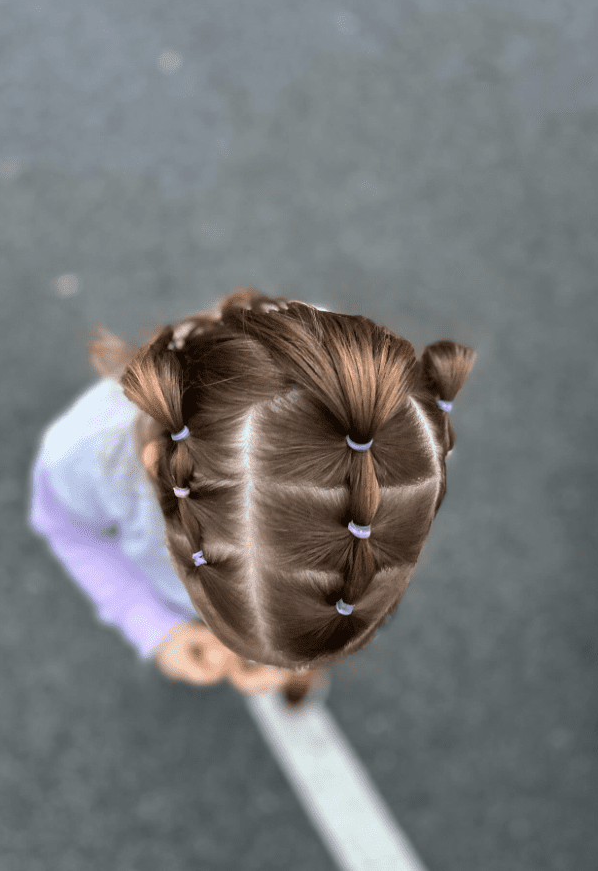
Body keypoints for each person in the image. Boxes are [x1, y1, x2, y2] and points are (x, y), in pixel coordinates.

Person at [28, 286, 476, 703]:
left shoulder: (397, 446)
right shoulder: (88, 454)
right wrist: (154, 626)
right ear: (157, 470)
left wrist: (293, 653)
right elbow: (68, 530)